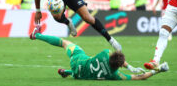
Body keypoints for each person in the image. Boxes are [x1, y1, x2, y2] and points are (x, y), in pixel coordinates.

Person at [30, 26, 169, 80]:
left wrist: (128, 65)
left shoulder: (105, 53)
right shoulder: (115, 75)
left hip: (77, 61)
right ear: (119, 66)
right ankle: (67, 72)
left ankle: (37, 35)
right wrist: (158, 70)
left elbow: (115, 56)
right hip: (79, 75)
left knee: (65, 43)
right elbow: (140, 77)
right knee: (86, 71)